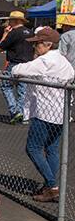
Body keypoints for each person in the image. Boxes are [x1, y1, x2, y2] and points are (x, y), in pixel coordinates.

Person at [11, 27, 75, 203]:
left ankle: (52, 185)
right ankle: (50, 185)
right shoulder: (63, 61)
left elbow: (17, 69)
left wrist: (34, 61)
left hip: (44, 111)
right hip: (60, 111)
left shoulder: (45, 61)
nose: (35, 48)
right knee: (52, 149)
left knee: (32, 148)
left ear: (47, 45)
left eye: (37, 44)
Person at [0, 10, 33, 124]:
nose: (9, 22)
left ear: (16, 20)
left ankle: (15, 110)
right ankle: (21, 113)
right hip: (27, 64)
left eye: (11, 20)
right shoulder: (30, 32)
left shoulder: (14, 32)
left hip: (14, 63)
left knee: (5, 86)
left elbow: (2, 46)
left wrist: (5, 34)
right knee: (22, 90)